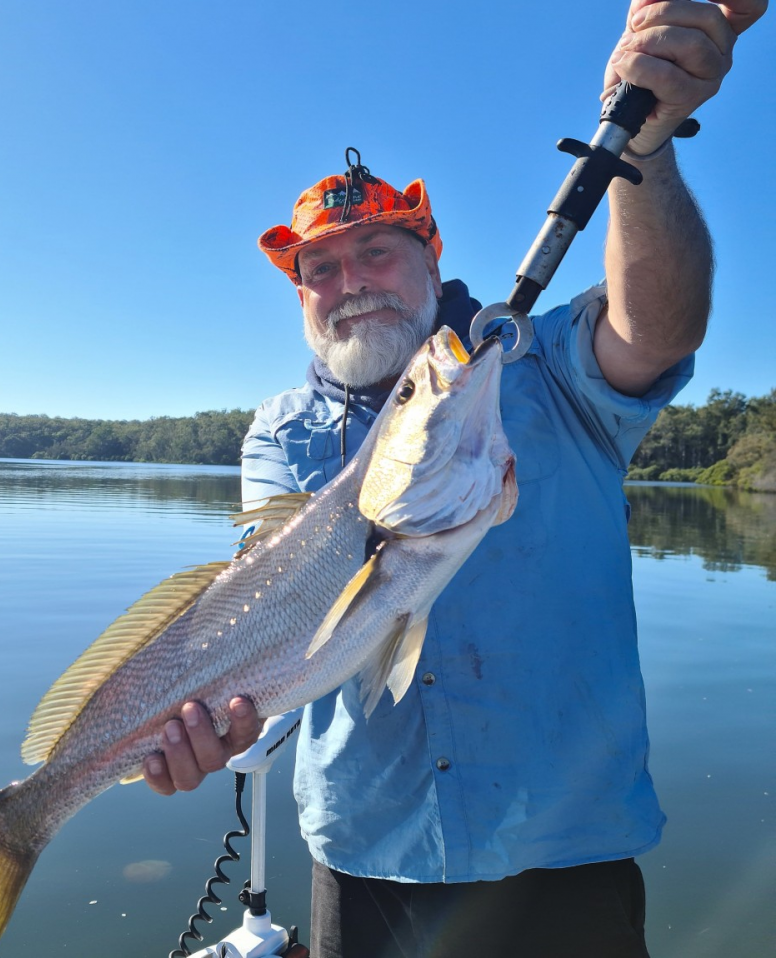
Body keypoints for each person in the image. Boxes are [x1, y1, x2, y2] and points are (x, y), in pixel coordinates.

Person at [141, 2, 767, 955]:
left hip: (564, 847)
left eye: (378, 251)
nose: (350, 281)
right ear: (300, 294)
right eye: (321, 268)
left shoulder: (542, 363)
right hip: (363, 845)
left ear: (432, 257)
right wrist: (210, 720)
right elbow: (261, 596)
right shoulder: (279, 429)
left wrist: (643, 151)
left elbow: (659, 330)